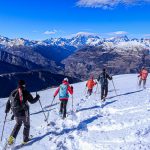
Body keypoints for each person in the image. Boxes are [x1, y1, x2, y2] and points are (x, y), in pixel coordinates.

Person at [5, 80, 40, 145]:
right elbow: (32, 101)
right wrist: (37, 97)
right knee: (27, 126)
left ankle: (10, 141)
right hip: (24, 113)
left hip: (15, 113)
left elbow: (8, 102)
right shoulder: (25, 92)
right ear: (23, 85)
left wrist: (7, 110)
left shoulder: (13, 92)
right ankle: (25, 139)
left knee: (18, 125)